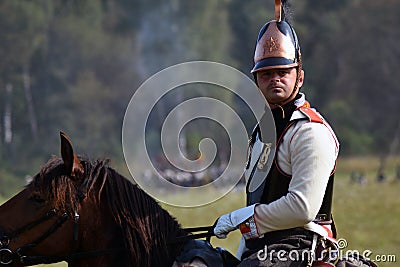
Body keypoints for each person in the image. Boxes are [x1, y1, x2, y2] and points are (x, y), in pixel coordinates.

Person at [212, 1, 377, 266]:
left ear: (299, 77)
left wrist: (241, 219)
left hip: (302, 247)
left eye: (283, 72)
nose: (274, 79)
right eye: (266, 74)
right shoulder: (261, 134)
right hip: (263, 251)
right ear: (256, 82)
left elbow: (302, 208)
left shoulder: (310, 132)